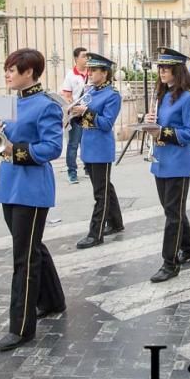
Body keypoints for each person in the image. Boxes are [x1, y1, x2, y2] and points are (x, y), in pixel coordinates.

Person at [0, 48, 65, 350]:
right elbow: (7, 139)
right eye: (7, 69)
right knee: (32, 246)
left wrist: (13, 150)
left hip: (32, 189)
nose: (7, 74)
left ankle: (21, 327)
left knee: (24, 257)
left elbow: (52, 148)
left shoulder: (46, 106)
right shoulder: (12, 103)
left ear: (29, 73)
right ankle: (54, 300)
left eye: (12, 69)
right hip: (11, 185)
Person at [146, 48, 190, 282]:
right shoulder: (161, 96)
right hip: (160, 160)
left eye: (166, 68)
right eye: (160, 68)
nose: (161, 72)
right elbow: (158, 126)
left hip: (178, 162)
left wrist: (163, 131)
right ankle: (189, 248)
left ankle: (170, 263)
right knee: (173, 210)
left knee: (173, 214)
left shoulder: (188, 98)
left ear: (177, 71)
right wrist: (148, 122)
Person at [74, 52, 124, 249]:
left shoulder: (112, 95)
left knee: (100, 193)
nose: (90, 73)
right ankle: (116, 222)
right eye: (89, 70)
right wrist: (75, 114)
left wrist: (85, 112)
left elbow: (106, 123)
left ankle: (95, 233)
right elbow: (82, 120)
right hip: (88, 145)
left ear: (105, 73)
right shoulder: (90, 92)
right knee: (104, 186)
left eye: (94, 70)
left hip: (101, 148)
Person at [60, 46, 89, 185]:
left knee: (87, 142)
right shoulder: (71, 75)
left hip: (89, 114)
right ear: (76, 58)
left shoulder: (91, 73)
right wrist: (72, 104)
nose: (86, 58)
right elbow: (66, 95)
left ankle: (88, 167)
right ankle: (72, 171)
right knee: (73, 144)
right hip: (75, 115)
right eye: (84, 56)